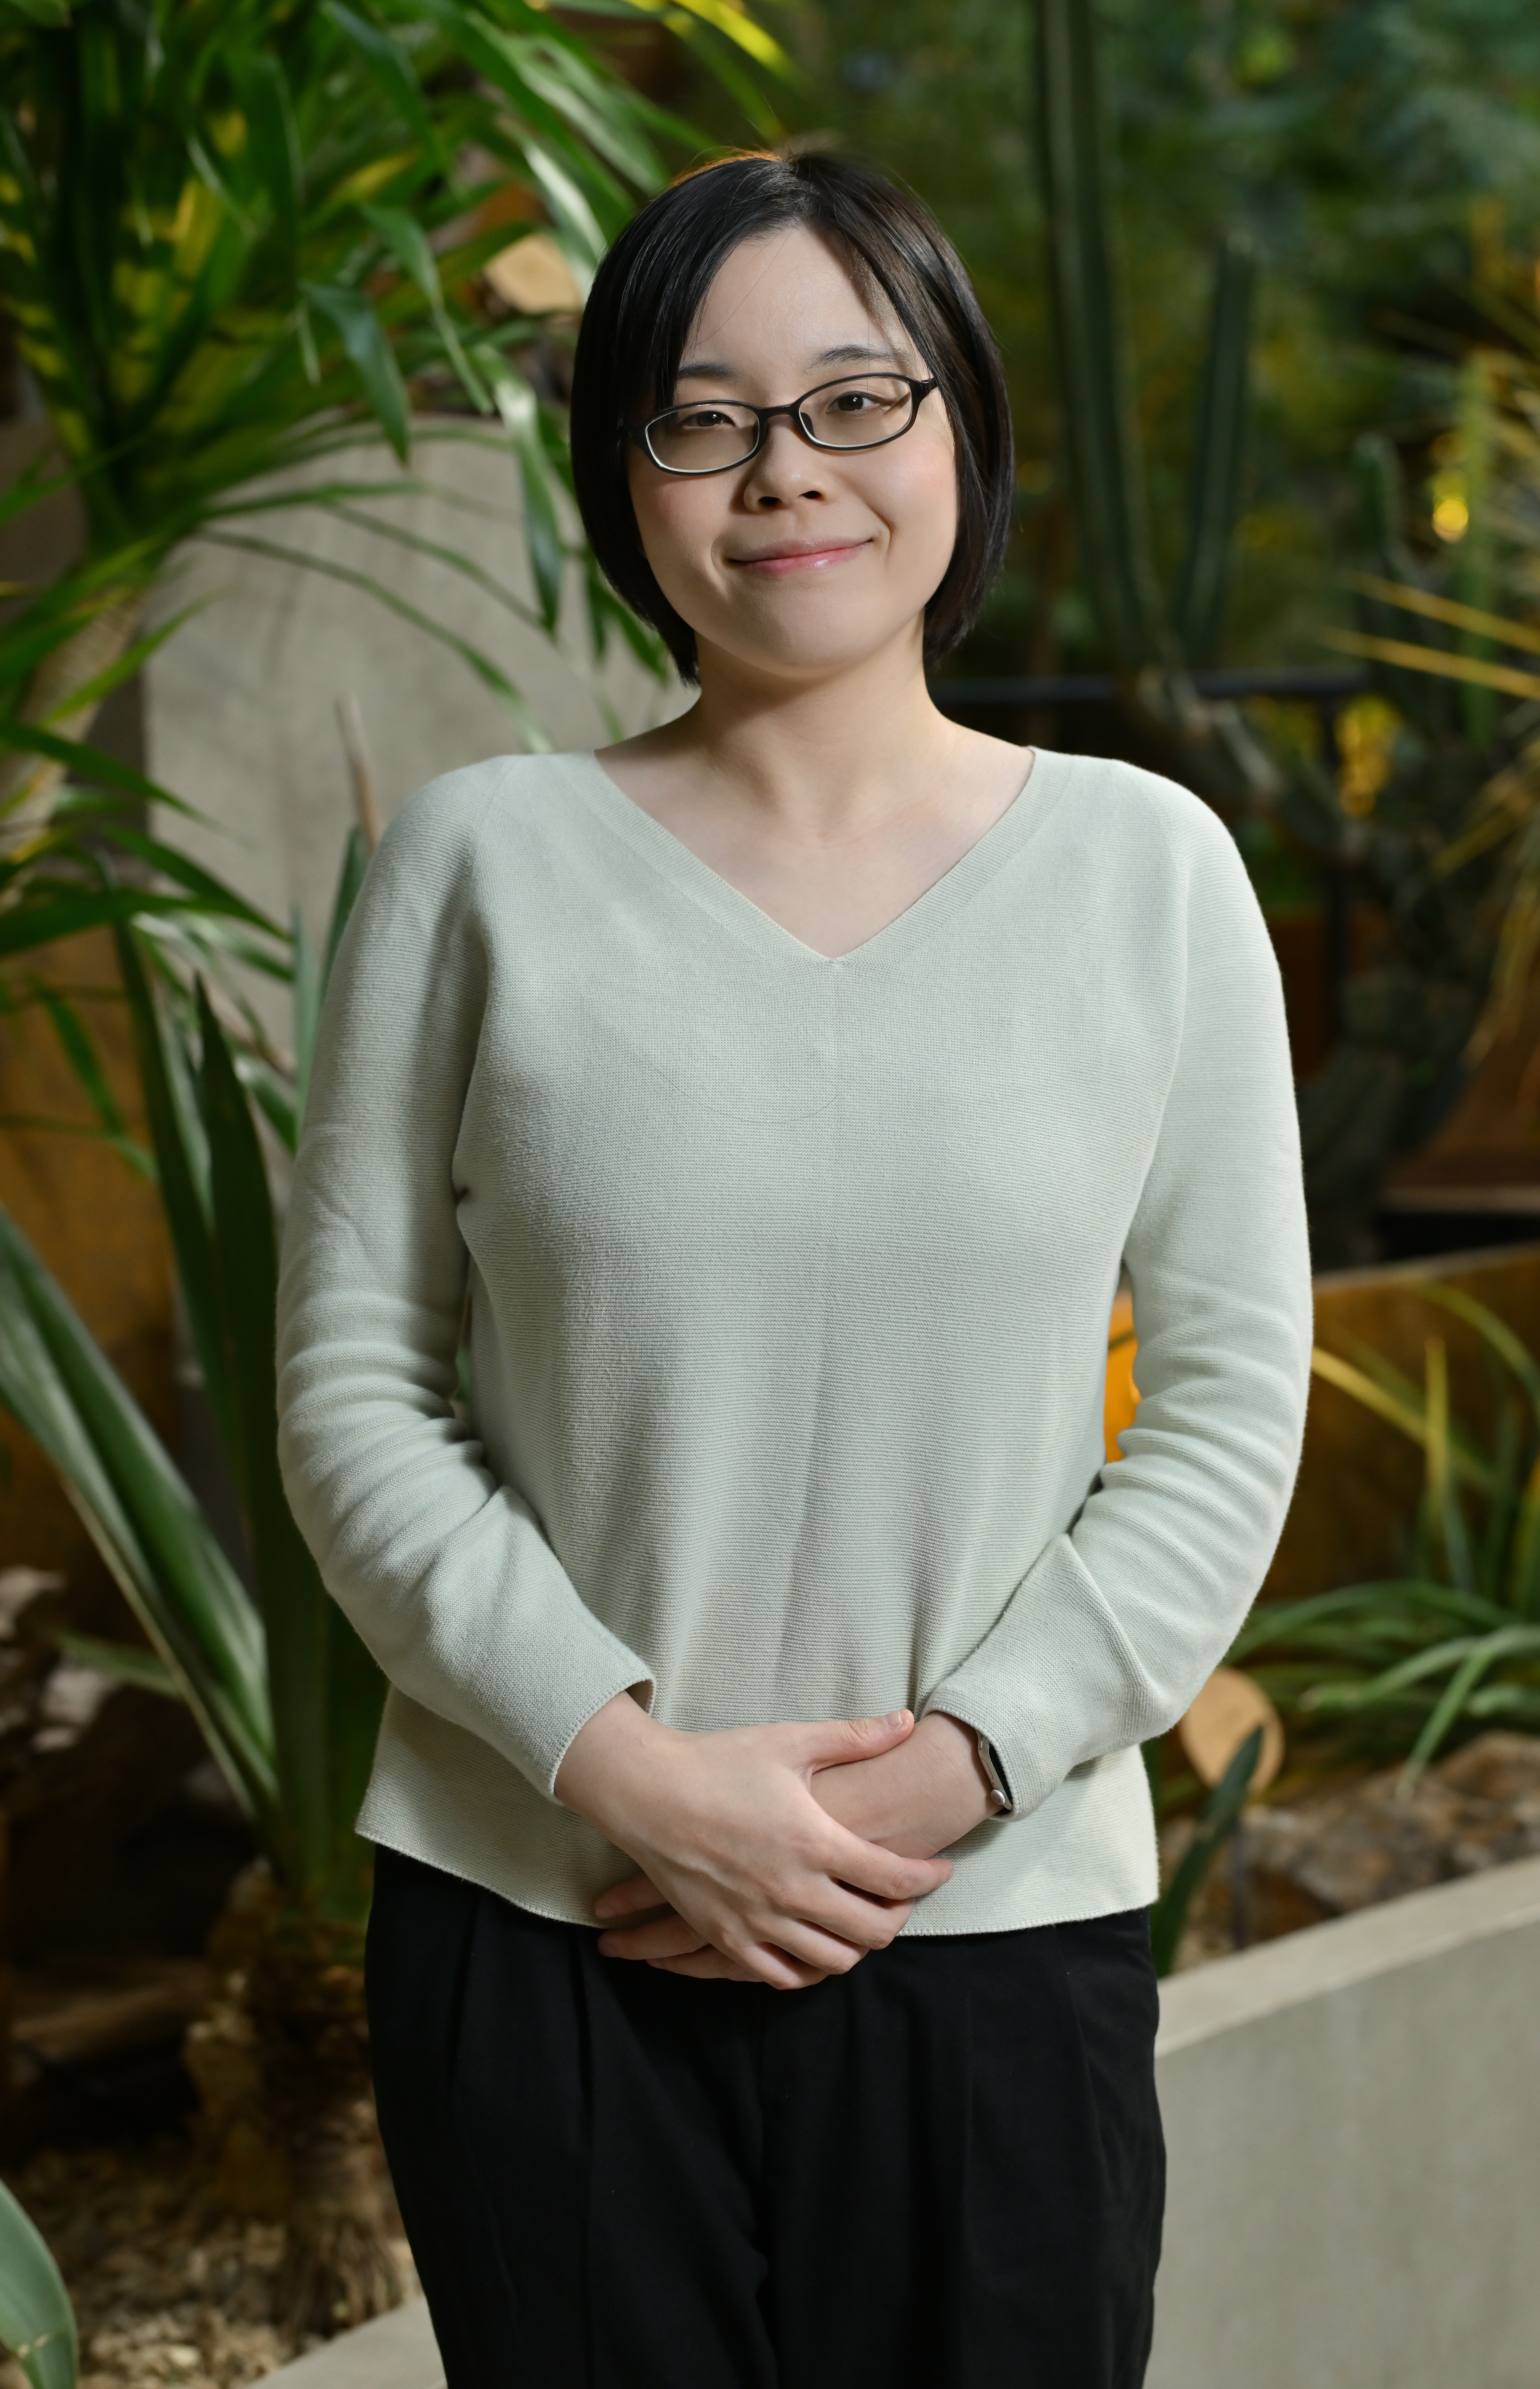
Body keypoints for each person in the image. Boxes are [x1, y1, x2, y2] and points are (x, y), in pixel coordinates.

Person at [275, 147, 1312, 2389]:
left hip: (992, 1923)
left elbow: (1232, 1409)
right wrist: (627, 1770)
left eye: (858, 398)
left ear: (963, 434)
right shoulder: (480, 864)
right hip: (545, 1921)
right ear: (622, 477)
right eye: (703, 413)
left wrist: (949, 1773)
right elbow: (356, 1383)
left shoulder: (1149, 873)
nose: (785, 475)